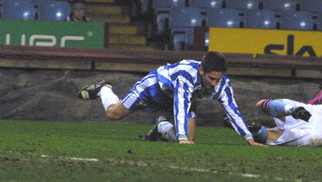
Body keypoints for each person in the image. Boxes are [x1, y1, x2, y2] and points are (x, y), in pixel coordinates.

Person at [77, 51, 263, 146]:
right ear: (201, 70)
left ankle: (161, 127)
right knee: (114, 114)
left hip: (180, 97)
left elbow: (232, 109)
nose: (214, 84)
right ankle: (103, 89)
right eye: (211, 78)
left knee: (189, 140)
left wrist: (249, 138)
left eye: (218, 79)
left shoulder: (222, 84)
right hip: (153, 88)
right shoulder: (186, 74)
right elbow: (180, 104)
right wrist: (181, 137)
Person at [248, 80, 322, 147]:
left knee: (266, 103)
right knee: (279, 136)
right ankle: (258, 132)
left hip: (320, 114)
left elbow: (309, 108)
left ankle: (286, 109)